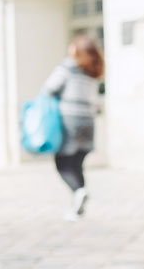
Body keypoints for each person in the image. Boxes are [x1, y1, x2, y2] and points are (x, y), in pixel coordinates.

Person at [44, 33, 104, 220]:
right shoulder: (92, 70)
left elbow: (50, 88)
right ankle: (78, 202)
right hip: (87, 120)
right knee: (77, 163)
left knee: (62, 163)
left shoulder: (68, 66)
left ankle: (79, 191)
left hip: (69, 119)